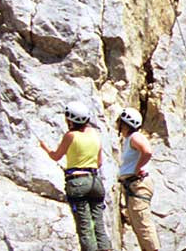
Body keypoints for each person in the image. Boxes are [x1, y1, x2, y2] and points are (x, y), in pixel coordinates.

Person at [39, 103, 111, 251]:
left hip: (77, 182)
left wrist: (44, 147)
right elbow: (99, 162)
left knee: (84, 226)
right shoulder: (94, 134)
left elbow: (56, 156)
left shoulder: (70, 136)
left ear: (70, 120)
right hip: (95, 181)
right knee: (98, 222)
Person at [112, 108, 160, 251]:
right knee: (138, 223)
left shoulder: (135, 137)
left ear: (125, 124)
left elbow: (147, 151)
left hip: (138, 184)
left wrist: (137, 168)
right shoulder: (129, 139)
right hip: (133, 184)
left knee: (143, 223)